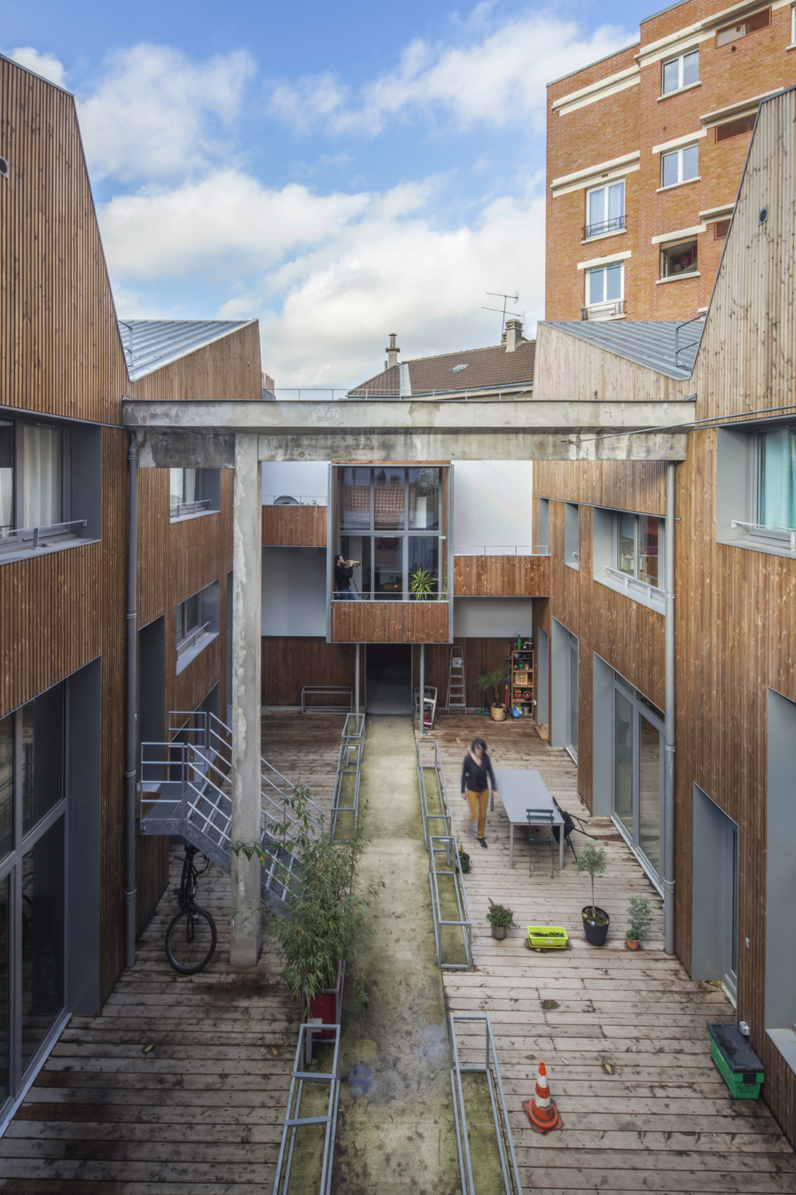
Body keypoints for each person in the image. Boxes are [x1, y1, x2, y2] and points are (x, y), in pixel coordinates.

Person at [461, 737, 499, 849]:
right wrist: (463, 790)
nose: (480, 750)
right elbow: (464, 775)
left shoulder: (486, 758)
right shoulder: (468, 759)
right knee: (474, 814)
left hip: (484, 789)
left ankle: (480, 836)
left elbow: (490, 773)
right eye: (478, 748)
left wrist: (494, 789)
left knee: (482, 815)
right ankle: (470, 826)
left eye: (482, 749)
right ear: (474, 748)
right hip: (472, 789)